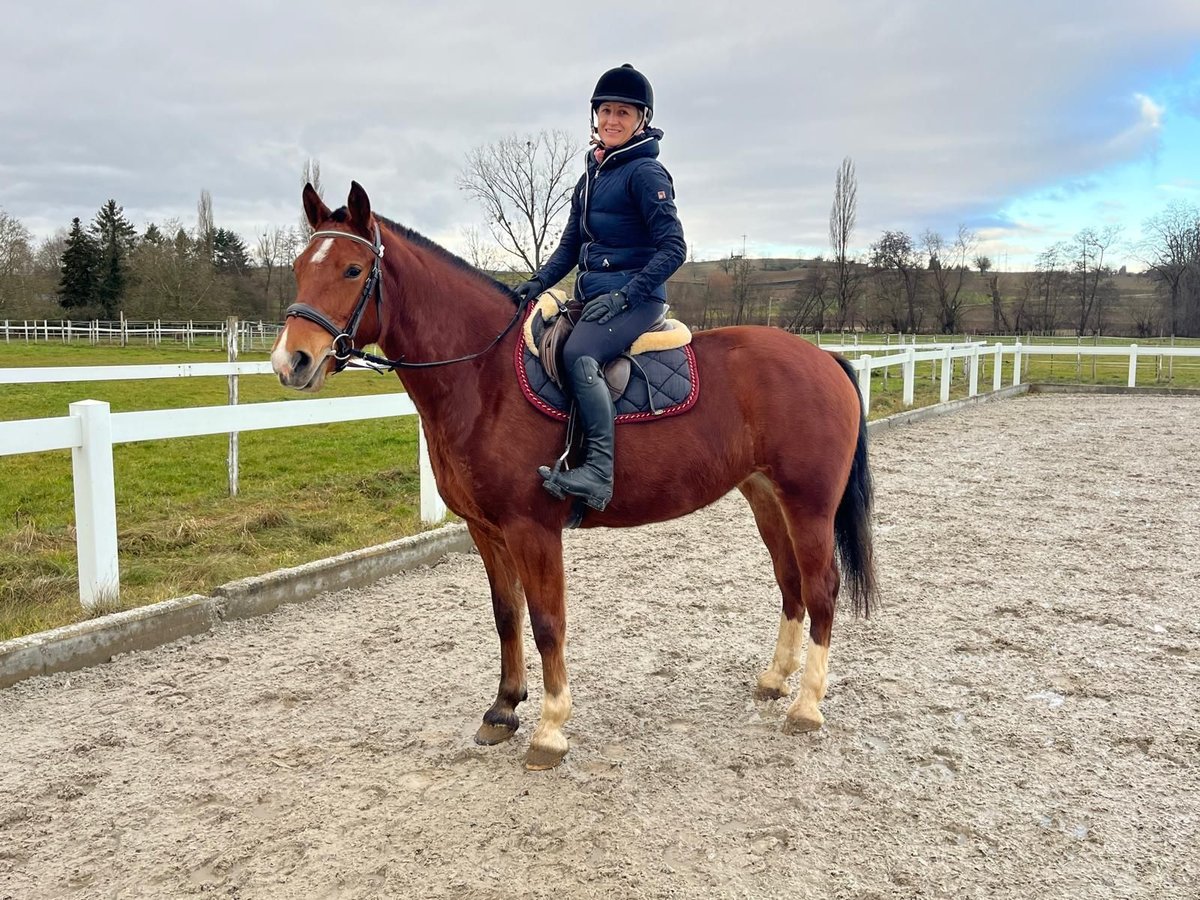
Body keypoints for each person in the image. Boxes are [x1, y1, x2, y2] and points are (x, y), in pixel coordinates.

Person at [513, 63, 687, 512]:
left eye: (623, 114)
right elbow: (570, 246)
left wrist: (624, 295)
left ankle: (598, 472)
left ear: (641, 121)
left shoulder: (646, 174)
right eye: (605, 111)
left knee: (578, 355)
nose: (611, 120)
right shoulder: (589, 177)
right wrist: (537, 282)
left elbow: (674, 248)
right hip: (594, 296)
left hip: (638, 299)